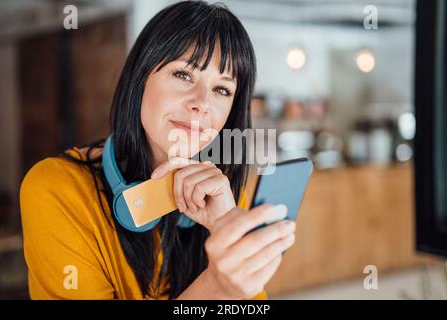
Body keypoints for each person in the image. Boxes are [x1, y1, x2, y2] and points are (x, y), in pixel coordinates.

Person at [19, 1, 295, 300]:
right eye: (183, 75)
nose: (202, 102)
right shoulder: (56, 189)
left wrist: (224, 228)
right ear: (140, 76)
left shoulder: (221, 192)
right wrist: (216, 288)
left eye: (222, 89)